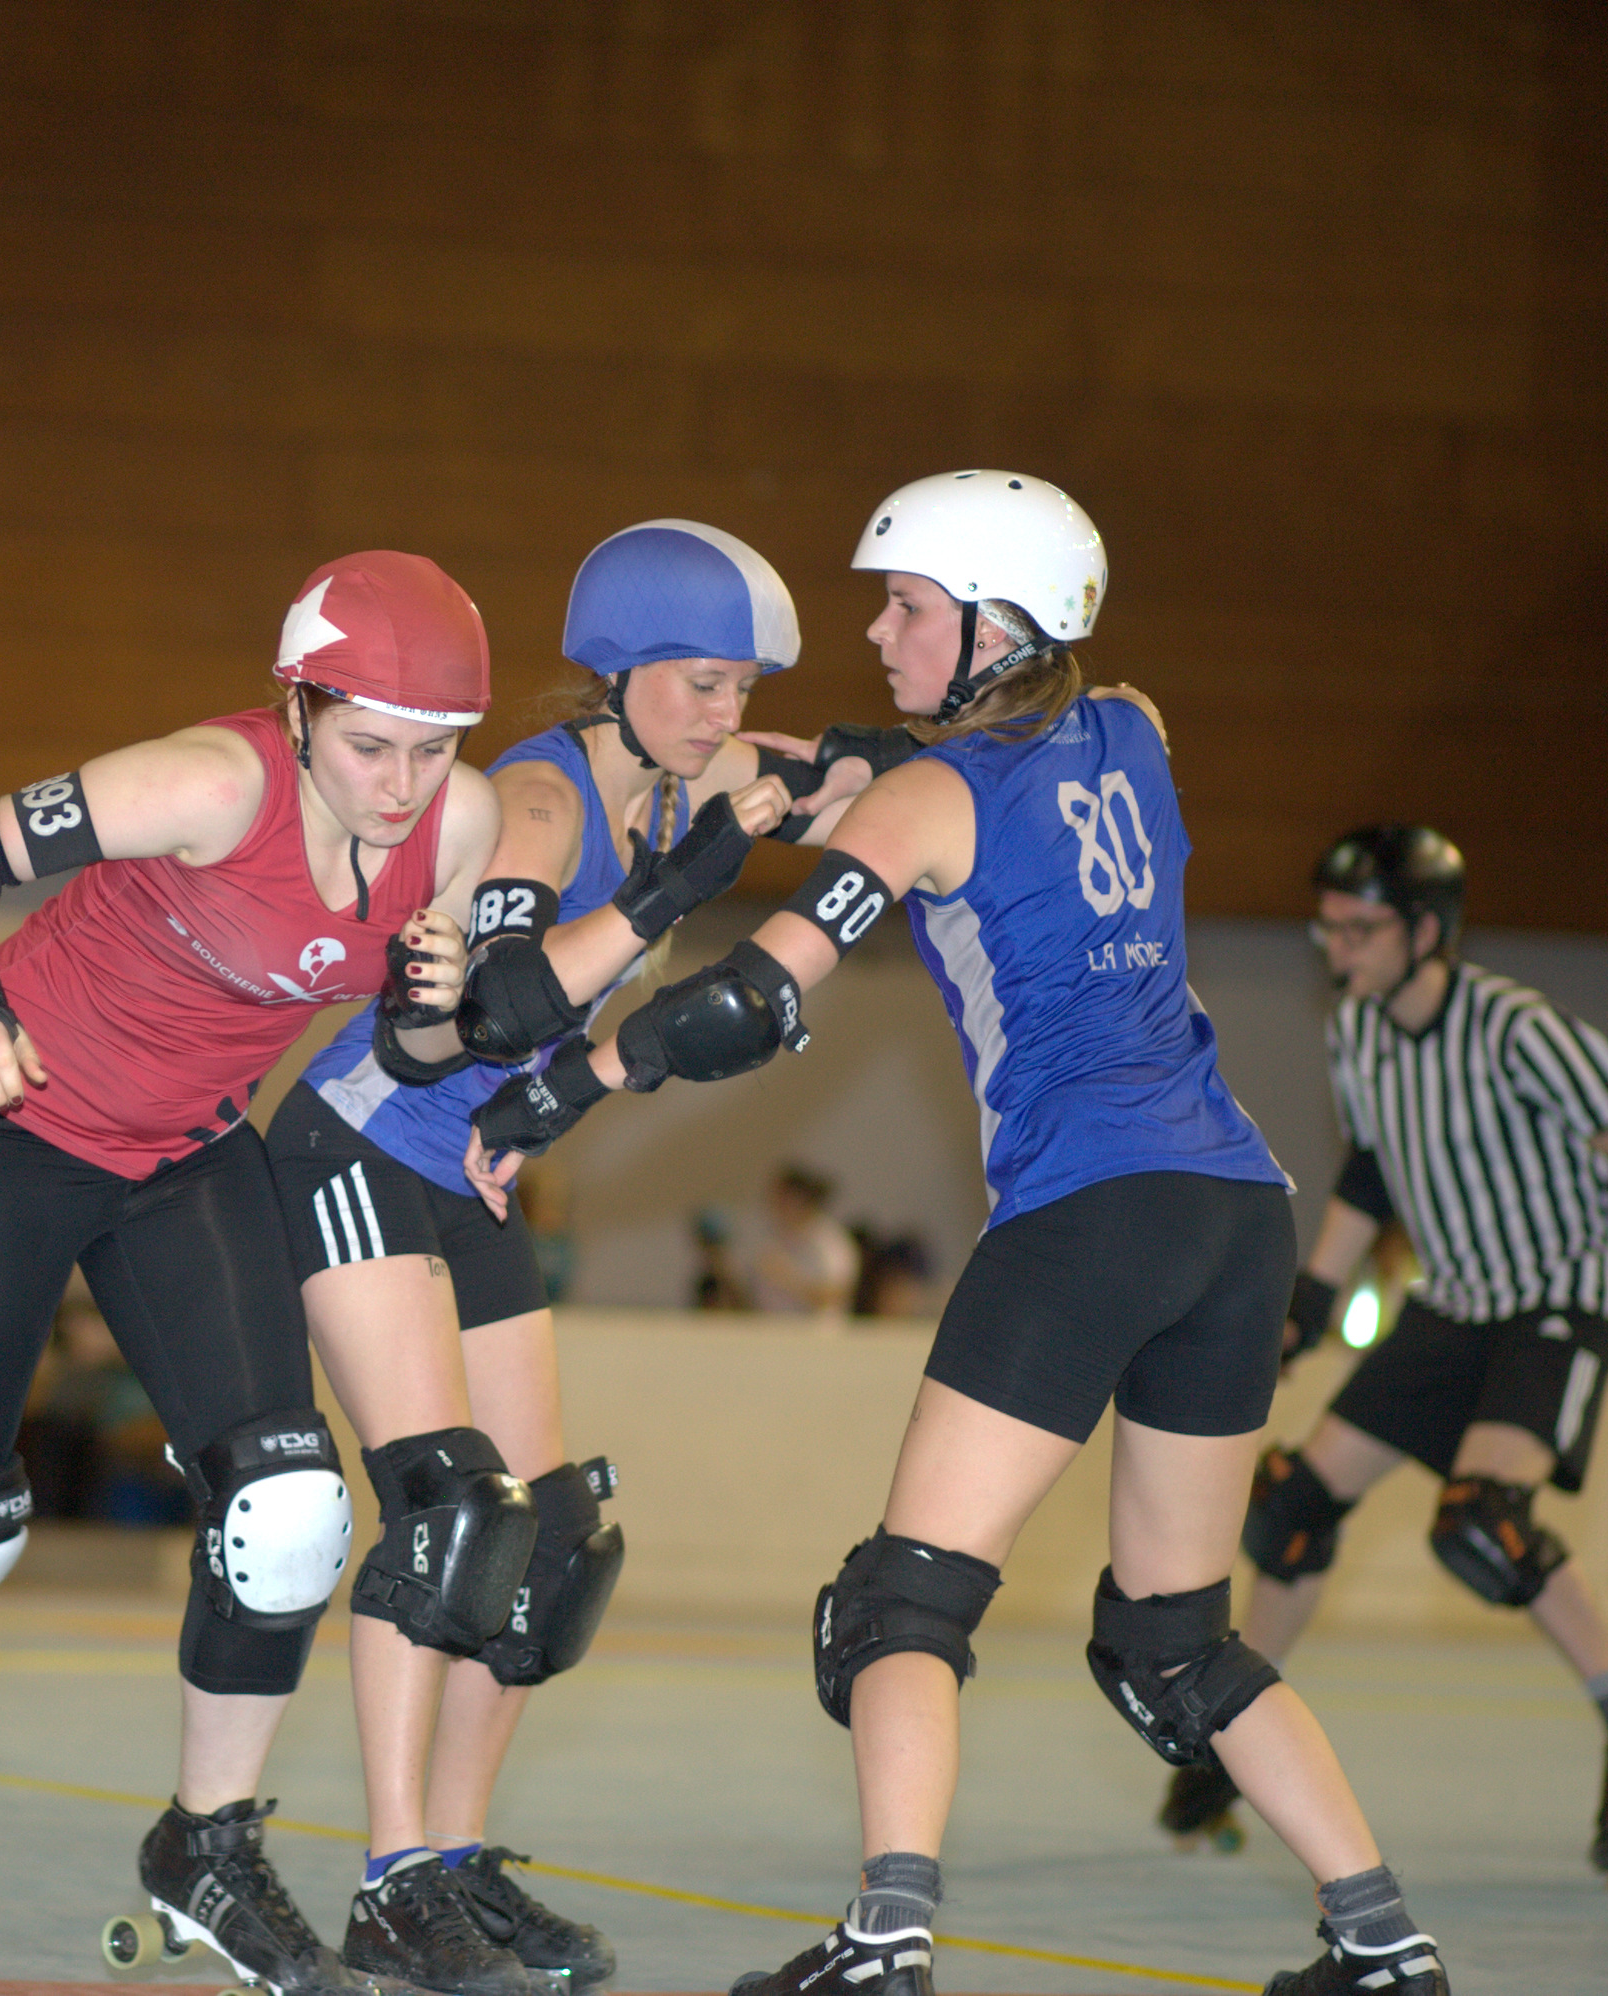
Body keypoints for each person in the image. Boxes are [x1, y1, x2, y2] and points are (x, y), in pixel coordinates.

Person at [470, 473, 1452, 1996]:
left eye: (908, 607)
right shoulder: (1133, 724)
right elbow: (913, 758)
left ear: (998, 625)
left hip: (1087, 1211)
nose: (877, 631)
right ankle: (1383, 1943)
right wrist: (828, 768)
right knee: (1176, 1638)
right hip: (1234, 1209)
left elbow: (753, 999)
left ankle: (887, 1943)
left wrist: (568, 1086)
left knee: (903, 1600)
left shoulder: (929, 801)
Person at [0, 551, 500, 1991]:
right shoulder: (206, 783)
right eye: (372, 747)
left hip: (184, 1153)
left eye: (433, 752)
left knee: (291, 1508)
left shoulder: (461, 821)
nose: (403, 786)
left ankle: (207, 1844)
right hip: (8, 1119)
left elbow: (416, 1048)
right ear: (297, 708)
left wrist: (441, 1007)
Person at [265, 518, 852, 1995]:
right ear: (624, 671)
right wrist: (670, 889)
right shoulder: (540, 795)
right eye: (703, 683)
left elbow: (862, 774)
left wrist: (1036, 723)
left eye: (740, 688)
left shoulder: (691, 773)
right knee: (451, 1515)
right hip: (361, 1147)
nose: (726, 713)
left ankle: (459, 1858)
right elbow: (502, 1003)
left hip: (470, 1173)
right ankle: (394, 1879)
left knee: (550, 1542)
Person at [1187, 825, 1608, 1887]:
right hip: (1458, 1300)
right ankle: (1237, 1733)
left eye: (1360, 929)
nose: (1338, 950)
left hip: (1562, 1299)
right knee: (1290, 1507)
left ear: (1427, 931)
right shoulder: (1358, 1032)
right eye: (1329, 930)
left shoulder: (1520, 1030)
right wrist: (1309, 1304)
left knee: (1482, 1523)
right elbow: (1372, 1175)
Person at [751, 1165, 856, 1320]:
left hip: (816, 1331)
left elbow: (834, 1295)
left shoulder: (829, 1242)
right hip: (775, 1327)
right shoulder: (771, 1238)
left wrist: (788, 1277)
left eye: (782, 1199)